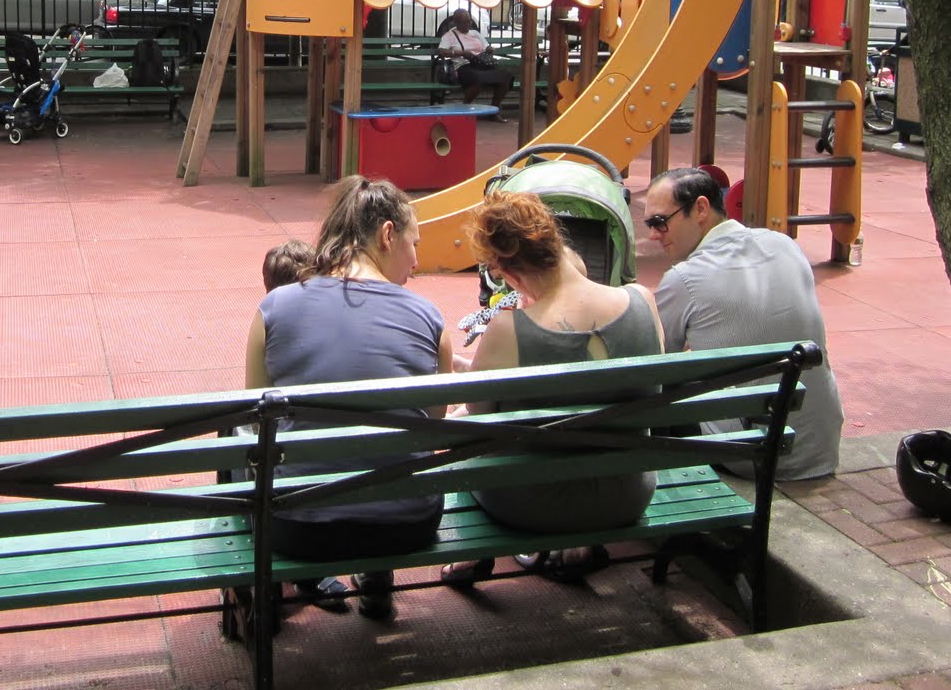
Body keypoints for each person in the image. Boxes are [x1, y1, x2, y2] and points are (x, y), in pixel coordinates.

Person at [244, 176, 452, 622]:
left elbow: (256, 419)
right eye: (414, 244)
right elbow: (434, 422)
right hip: (408, 525)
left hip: (297, 529)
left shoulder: (274, 309)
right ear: (388, 235)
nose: (416, 261)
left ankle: (263, 602)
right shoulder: (430, 319)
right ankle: (376, 580)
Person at [441, 191, 665, 587]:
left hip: (531, 504)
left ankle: (473, 556)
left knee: (463, 451)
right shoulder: (643, 301)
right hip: (628, 494)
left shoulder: (508, 329)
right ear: (558, 243)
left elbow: (481, 425)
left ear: (507, 273)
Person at [643, 167, 845, 480]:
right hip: (819, 446)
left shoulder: (684, 278)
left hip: (755, 456)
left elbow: (652, 360)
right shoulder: (785, 245)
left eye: (660, 222)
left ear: (701, 208)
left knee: (657, 385)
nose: (653, 234)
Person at [437, 8, 511, 111]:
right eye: (464, 22)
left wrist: (489, 49)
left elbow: (486, 47)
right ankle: (465, 107)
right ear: (456, 22)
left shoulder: (475, 33)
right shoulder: (449, 36)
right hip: (463, 66)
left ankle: (494, 109)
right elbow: (441, 51)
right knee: (479, 79)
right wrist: (462, 53)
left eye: (469, 21)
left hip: (481, 64)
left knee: (505, 76)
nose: (468, 24)